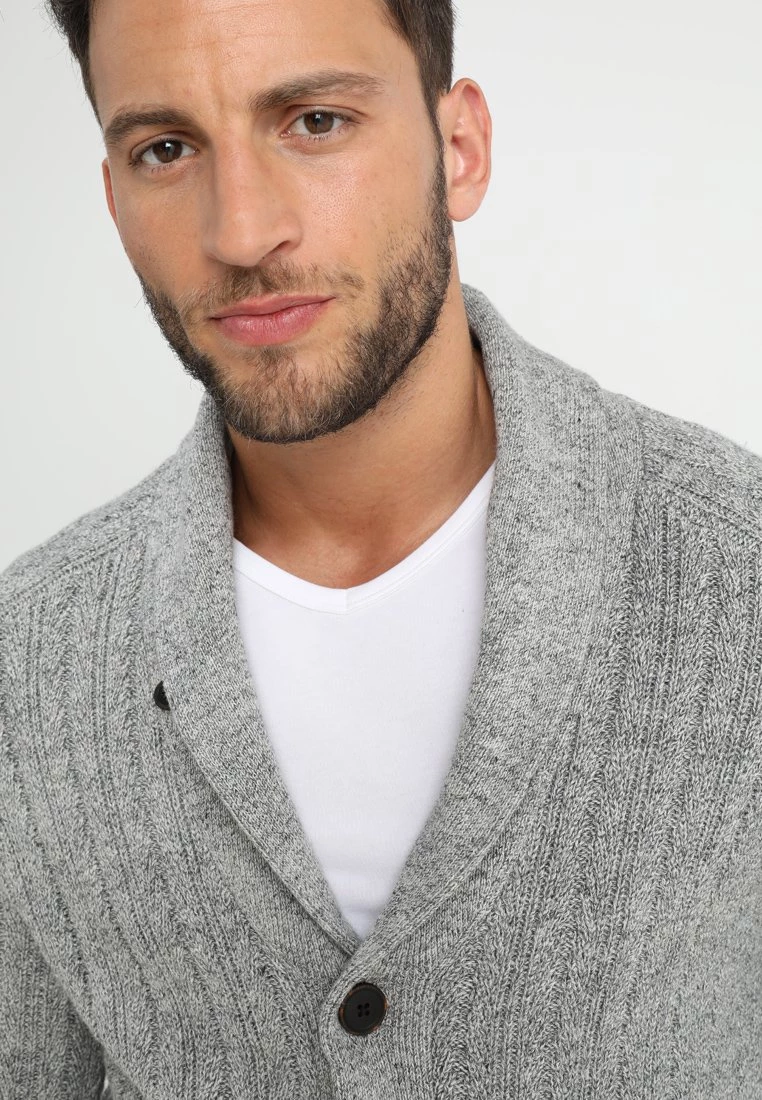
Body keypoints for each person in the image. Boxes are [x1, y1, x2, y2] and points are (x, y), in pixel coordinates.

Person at [1, 0, 760, 1095]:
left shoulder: (736, 570)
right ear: (114, 197)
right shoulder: (30, 662)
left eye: (314, 121)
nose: (241, 232)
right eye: (166, 149)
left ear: (460, 150)